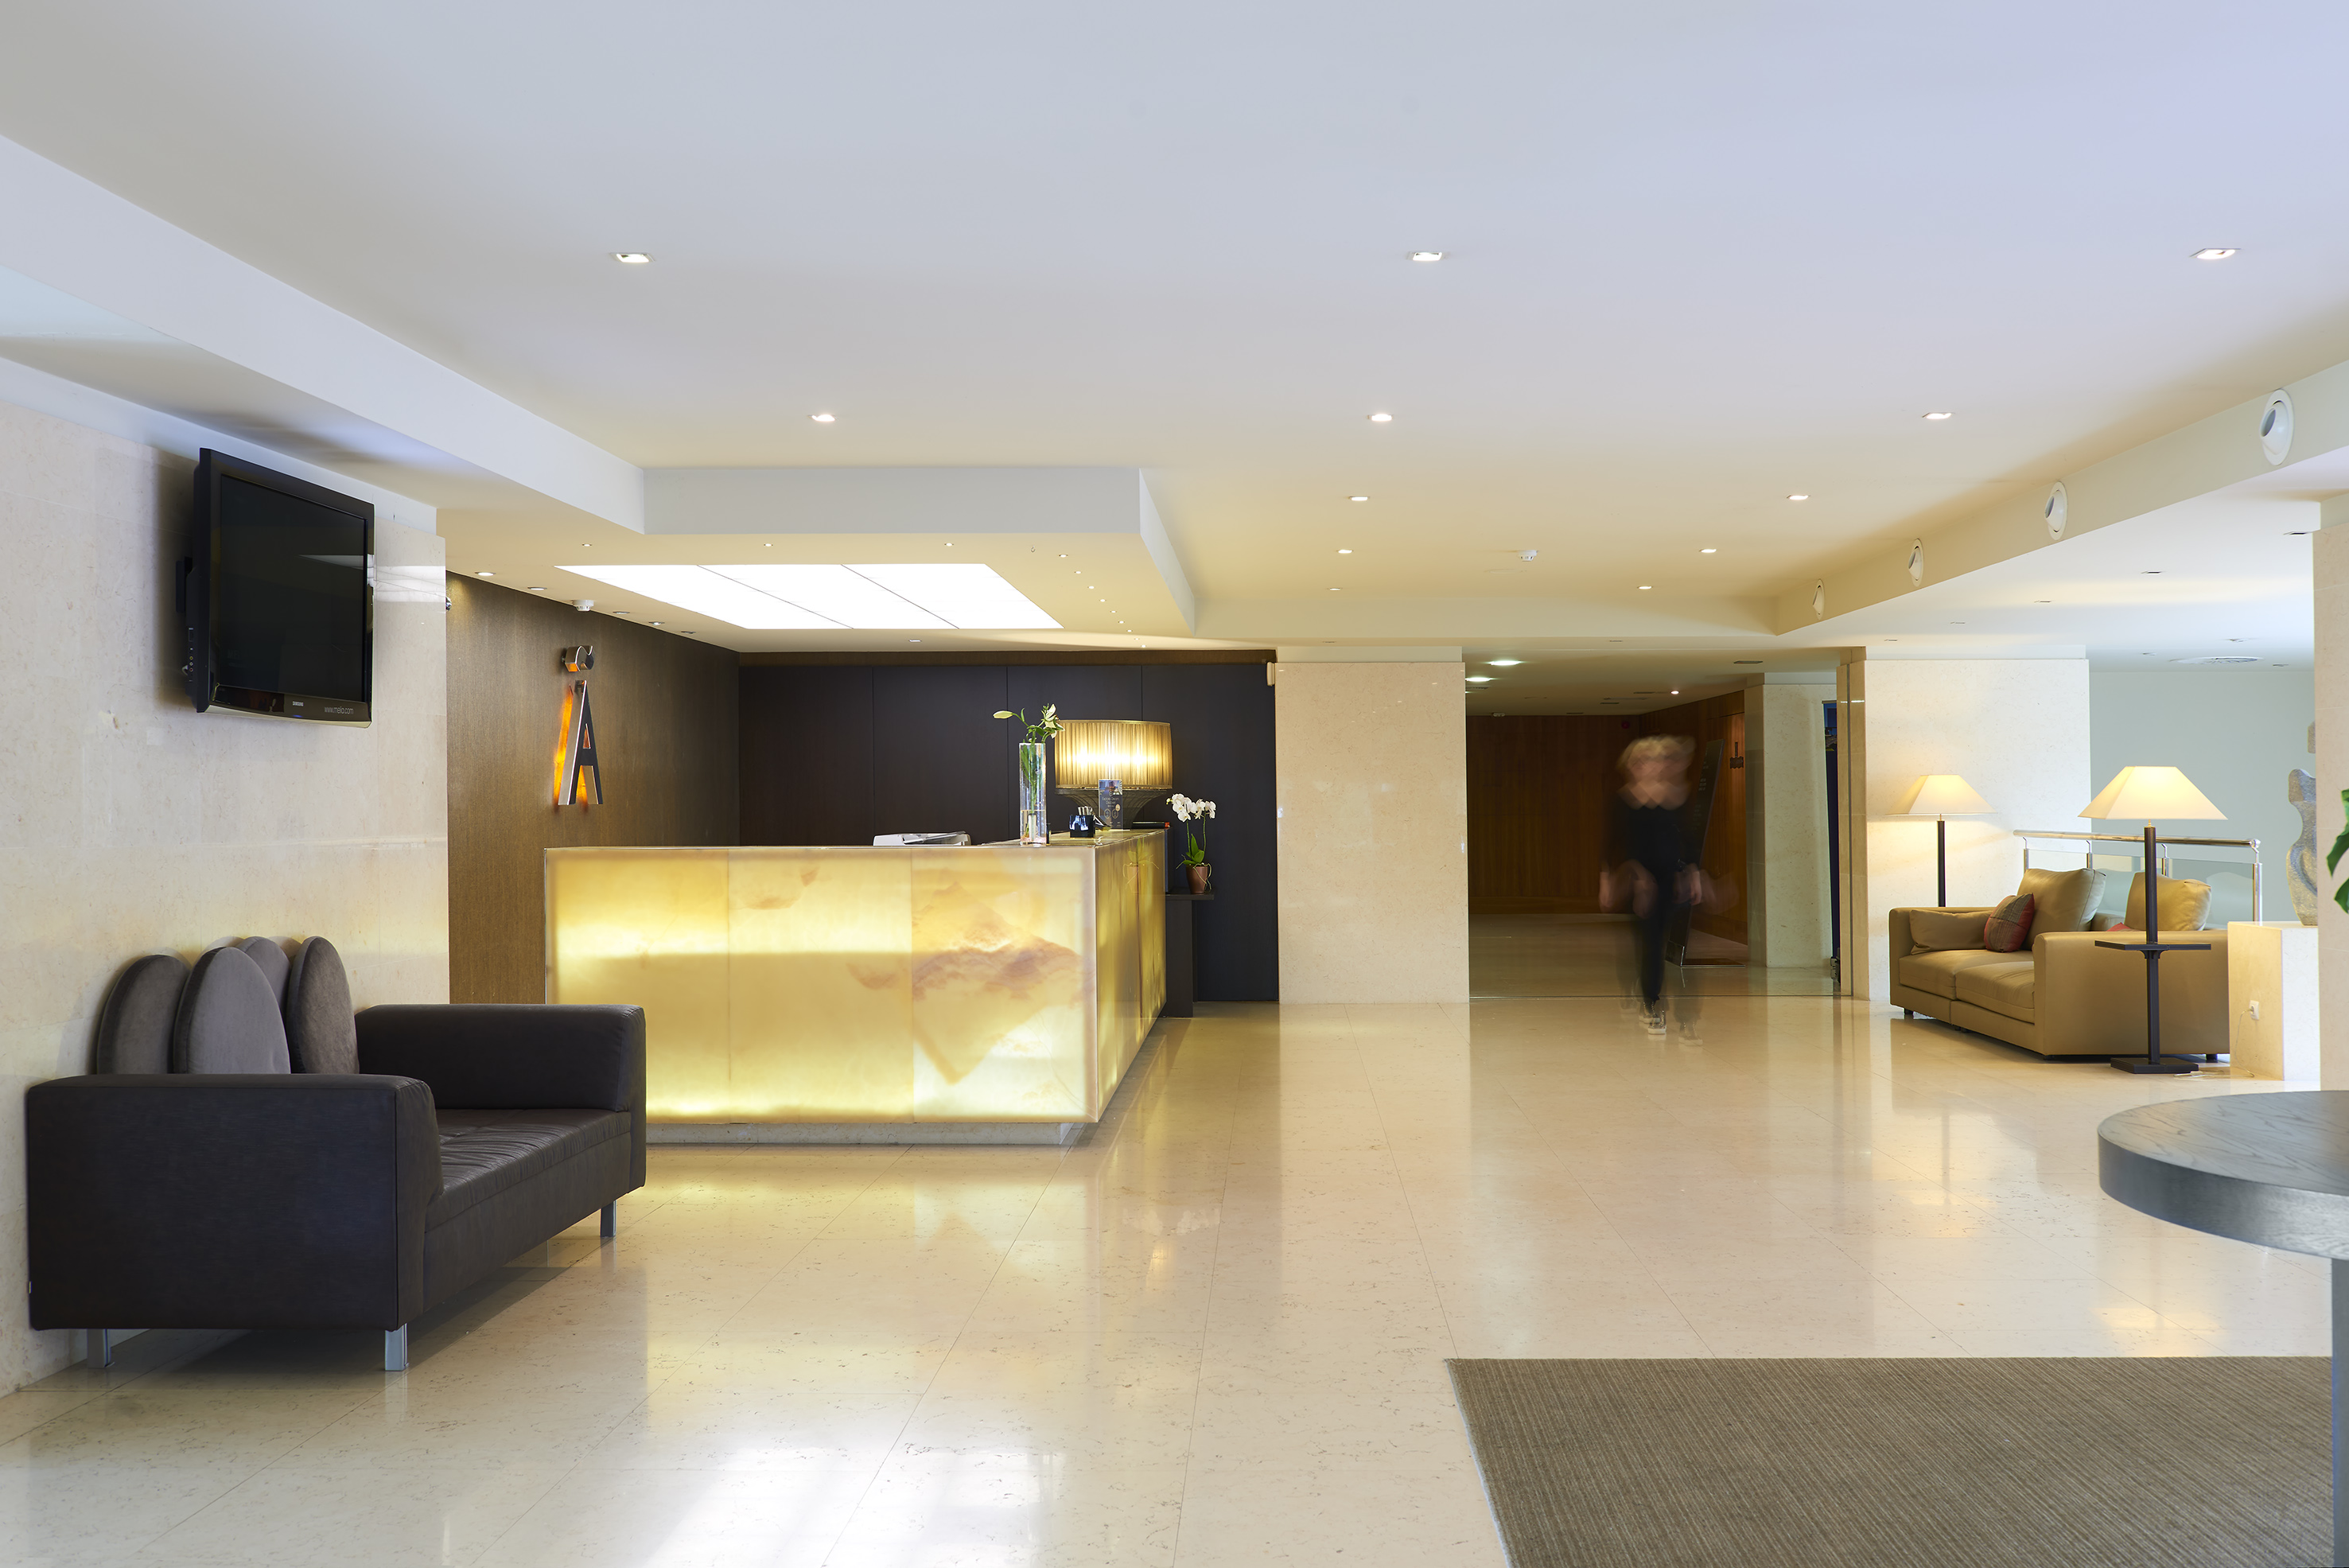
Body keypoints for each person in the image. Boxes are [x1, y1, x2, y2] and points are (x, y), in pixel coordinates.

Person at [1601, 735, 1703, 1033]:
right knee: (1650, 941)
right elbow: (1611, 844)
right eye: (1644, 761)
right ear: (1632, 766)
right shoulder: (1624, 800)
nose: (1651, 766)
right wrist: (1606, 881)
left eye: (1656, 760)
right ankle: (1651, 1001)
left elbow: (1688, 839)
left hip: (1672, 879)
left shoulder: (1676, 796)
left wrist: (1694, 874)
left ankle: (1683, 1014)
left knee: (1669, 940)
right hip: (1639, 881)